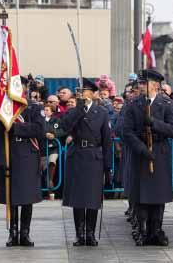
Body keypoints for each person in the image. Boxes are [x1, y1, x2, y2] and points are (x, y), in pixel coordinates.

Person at [121, 69, 173, 246]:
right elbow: (127, 132)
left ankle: (157, 230)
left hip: (159, 153)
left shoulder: (166, 104)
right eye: (139, 83)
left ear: (155, 85)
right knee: (141, 195)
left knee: (158, 195)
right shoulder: (133, 105)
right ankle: (143, 230)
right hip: (141, 153)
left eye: (144, 83)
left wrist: (154, 123)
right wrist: (141, 148)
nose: (140, 86)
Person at [59, 78, 112, 246]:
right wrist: (78, 109)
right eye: (80, 91)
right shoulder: (75, 110)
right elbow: (64, 127)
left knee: (92, 198)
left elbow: (107, 141)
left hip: (94, 156)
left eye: (85, 90)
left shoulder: (101, 112)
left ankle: (90, 233)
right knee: (78, 198)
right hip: (77, 156)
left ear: (92, 93)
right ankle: (79, 234)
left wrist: (107, 166)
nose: (81, 93)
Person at [0, 77, 45, 247]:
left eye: (20, 87)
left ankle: (25, 233)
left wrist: (17, 128)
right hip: (11, 156)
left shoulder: (34, 108)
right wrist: (1, 160)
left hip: (29, 156)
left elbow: (39, 129)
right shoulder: (5, 108)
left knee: (27, 197)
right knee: (12, 197)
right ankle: (13, 232)